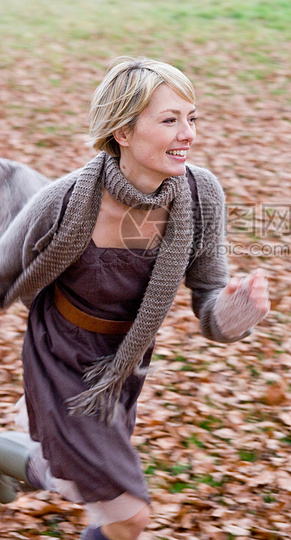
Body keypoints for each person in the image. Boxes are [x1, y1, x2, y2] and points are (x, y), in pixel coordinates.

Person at [0, 56, 270, 540]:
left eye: (192, 118)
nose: (187, 133)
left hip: (123, 363)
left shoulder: (201, 195)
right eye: (169, 120)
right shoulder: (62, 203)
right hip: (59, 352)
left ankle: (17, 458)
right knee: (129, 515)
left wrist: (234, 313)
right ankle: (28, 458)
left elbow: (209, 299)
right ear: (123, 132)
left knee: (102, 497)